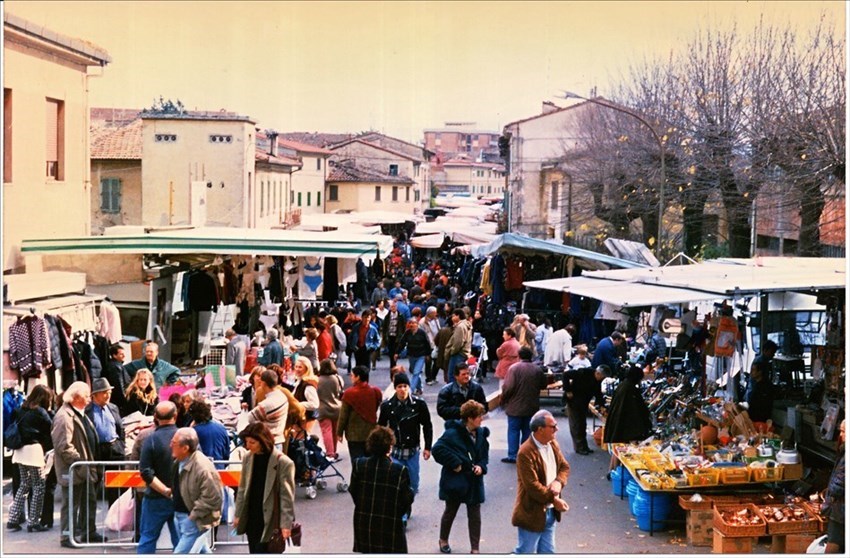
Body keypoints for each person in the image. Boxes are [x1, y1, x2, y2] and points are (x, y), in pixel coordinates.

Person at [432, 400, 490, 554]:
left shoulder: (481, 434)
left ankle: (475, 549)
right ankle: (443, 540)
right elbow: (437, 450)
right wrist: (455, 463)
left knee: (475, 515)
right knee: (450, 511)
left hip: (474, 480)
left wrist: (481, 467)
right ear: (470, 418)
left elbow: (484, 457)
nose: (481, 419)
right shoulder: (452, 433)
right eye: (479, 416)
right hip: (456, 480)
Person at [52, 381, 105, 548]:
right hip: (75, 469)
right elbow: (64, 446)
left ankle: (88, 532)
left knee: (88, 501)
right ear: (75, 397)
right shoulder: (64, 416)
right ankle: (67, 536)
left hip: (85, 467)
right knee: (71, 504)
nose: (89, 398)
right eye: (86, 395)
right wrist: (79, 464)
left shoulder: (79, 412)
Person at [511, 410, 570, 554]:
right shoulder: (525, 452)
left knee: (548, 552)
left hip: (550, 512)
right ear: (540, 430)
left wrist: (558, 482)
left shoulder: (553, 444)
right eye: (553, 426)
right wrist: (554, 500)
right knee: (525, 551)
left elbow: (564, 467)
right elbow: (532, 486)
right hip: (532, 512)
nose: (557, 429)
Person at [349, 425, 414, 553]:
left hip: (365, 520)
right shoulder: (398, 470)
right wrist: (397, 513)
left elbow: (354, 491)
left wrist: (364, 506)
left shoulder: (359, 465)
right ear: (389, 447)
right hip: (390, 522)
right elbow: (406, 499)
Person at [234, 422, 296, 554]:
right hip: (252, 516)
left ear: (263, 442)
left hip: (271, 519)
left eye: (252, 442)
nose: (247, 446)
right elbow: (242, 488)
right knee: (254, 550)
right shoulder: (248, 458)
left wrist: (286, 524)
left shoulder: (283, 462)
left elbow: (287, 497)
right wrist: (238, 514)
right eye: (246, 442)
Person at [378, 372, 433, 517]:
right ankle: (402, 511)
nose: (403, 389)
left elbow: (427, 425)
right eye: (399, 386)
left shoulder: (418, 405)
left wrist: (428, 447)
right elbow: (381, 429)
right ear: (395, 388)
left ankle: (407, 504)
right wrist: (382, 449)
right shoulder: (387, 406)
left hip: (412, 451)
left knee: (413, 484)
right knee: (396, 484)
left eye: (405, 386)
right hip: (396, 451)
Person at [8, 384, 53, 533]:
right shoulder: (41, 412)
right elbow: (50, 429)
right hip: (34, 451)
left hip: (20, 451)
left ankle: (13, 519)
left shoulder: (21, 409)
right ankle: (33, 522)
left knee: (24, 484)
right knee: (39, 486)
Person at [169, 427, 223, 554]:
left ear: (185, 448)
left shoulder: (202, 467)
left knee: (180, 553)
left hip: (194, 518)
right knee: (203, 550)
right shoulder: (180, 461)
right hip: (183, 514)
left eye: (174, 443)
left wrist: (193, 516)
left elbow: (213, 497)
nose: (170, 445)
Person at [137, 401, 179, 554]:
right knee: (181, 541)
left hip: (155, 498)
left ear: (155, 417)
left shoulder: (151, 439)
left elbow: (146, 472)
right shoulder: (185, 437)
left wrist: (164, 490)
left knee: (148, 538)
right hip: (180, 498)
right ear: (176, 415)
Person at [501, 347, 549, 463]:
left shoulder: (514, 368)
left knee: (513, 430)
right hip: (531, 405)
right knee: (528, 431)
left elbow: (508, 387)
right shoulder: (537, 370)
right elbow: (544, 385)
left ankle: (513, 455)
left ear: (519, 356)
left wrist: (503, 400)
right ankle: (525, 454)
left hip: (515, 406)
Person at [602, 366, 652, 476]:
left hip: (619, 422)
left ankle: (612, 471)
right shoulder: (630, 389)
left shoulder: (623, 385)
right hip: (625, 424)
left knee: (618, 448)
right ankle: (615, 472)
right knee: (622, 448)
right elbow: (637, 409)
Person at [84, 378, 126, 505]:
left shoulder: (113, 408)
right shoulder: (87, 411)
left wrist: (121, 445)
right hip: (97, 450)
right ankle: (89, 521)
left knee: (115, 486)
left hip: (114, 448)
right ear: (95, 395)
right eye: (104, 393)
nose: (108, 396)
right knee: (93, 484)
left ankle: (114, 519)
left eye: (109, 392)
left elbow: (120, 428)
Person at [337, 365, 383, 462]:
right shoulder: (375, 391)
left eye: (352, 375)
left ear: (358, 377)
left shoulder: (349, 394)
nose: (351, 377)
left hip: (354, 435)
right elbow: (376, 407)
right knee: (370, 462)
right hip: (371, 432)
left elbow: (343, 416)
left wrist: (339, 432)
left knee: (357, 463)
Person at [563, 364, 608, 455]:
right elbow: (566, 375)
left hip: (583, 403)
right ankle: (579, 447)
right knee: (576, 424)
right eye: (602, 377)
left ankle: (584, 446)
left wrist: (601, 405)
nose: (602, 379)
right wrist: (568, 390)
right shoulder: (583, 372)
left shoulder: (597, 381)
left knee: (582, 424)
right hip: (573, 400)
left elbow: (598, 393)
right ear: (598, 373)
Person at [247, 369, 289, 450]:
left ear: (263, 383)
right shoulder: (282, 397)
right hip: (279, 441)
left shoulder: (266, 405)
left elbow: (249, 419)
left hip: (267, 444)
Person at [823, 419, 845, 554]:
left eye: (843, 431)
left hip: (841, 508)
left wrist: (829, 494)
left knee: (834, 541)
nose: (841, 435)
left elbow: (840, 483)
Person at [317, 358, 345, 460]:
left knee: (326, 431)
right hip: (337, 407)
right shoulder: (337, 378)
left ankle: (330, 452)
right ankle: (334, 450)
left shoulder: (318, 380)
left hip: (323, 408)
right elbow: (341, 391)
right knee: (335, 431)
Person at [395, 318, 431, 396]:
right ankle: (419, 388)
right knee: (415, 372)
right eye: (410, 323)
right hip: (411, 355)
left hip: (421, 355)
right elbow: (402, 343)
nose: (412, 325)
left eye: (413, 323)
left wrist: (428, 354)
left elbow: (427, 344)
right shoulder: (407, 333)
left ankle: (410, 390)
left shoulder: (422, 333)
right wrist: (397, 353)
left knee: (416, 372)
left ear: (417, 324)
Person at [745, 339, 778, 424]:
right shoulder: (760, 361)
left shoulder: (765, 361)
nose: (773, 355)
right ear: (765, 350)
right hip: (756, 396)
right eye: (772, 352)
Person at [190, 400, 231, 468]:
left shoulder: (193, 432)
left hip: (202, 469)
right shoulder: (221, 428)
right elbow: (226, 452)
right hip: (220, 468)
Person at [291, 356, 320, 434]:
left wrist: (297, 405)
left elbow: (314, 404)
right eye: (296, 366)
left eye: (300, 367)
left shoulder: (308, 385)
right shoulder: (299, 381)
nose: (297, 369)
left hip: (305, 420)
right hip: (300, 419)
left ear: (306, 369)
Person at [102, 343, 132, 411]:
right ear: (114, 355)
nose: (124, 355)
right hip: (119, 402)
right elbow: (119, 385)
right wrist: (124, 400)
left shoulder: (117, 365)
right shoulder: (115, 367)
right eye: (121, 354)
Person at [445, 309, 473, 380]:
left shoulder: (460, 327)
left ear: (458, 316)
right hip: (465, 353)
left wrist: (452, 351)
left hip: (458, 354)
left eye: (453, 316)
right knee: (460, 375)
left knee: (452, 375)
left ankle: (454, 390)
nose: (452, 318)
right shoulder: (467, 325)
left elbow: (458, 342)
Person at [420, 306, 442, 386]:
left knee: (437, 361)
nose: (436, 314)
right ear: (430, 313)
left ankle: (433, 376)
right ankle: (428, 378)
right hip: (428, 343)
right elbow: (422, 334)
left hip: (436, 343)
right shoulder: (422, 322)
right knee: (428, 362)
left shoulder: (436, 320)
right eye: (434, 313)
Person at [383, 300, 406, 369]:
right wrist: (385, 335)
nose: (393, 308)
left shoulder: (400, 316)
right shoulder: (387, 316)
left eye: (394, 307)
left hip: (397, 336)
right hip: (390, 335)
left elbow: (403, 326)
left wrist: (402, 334)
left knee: (396, 350)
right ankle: (392, 363)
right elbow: (385, 326)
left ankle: (394, 363)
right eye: (392, 307)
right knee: (391, 350)